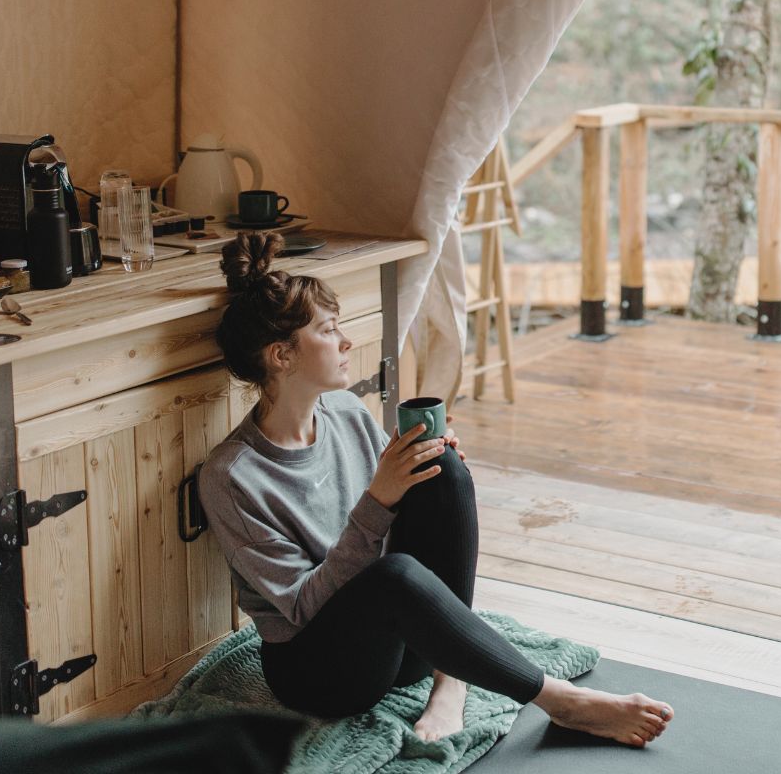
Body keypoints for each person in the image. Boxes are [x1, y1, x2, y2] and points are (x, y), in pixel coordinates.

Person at [197, 232, 674, 746]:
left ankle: (452, 678)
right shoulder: (232, 476)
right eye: (330, 330)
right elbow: (303, 607)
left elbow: (396, 515)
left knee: (442, 468)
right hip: (323, 675)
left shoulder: (347, 414)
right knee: (394, 573)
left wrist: (423, 472)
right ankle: (560, 701)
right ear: (281, 356)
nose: (347, 342)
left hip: (399, 648)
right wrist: (379, 498)